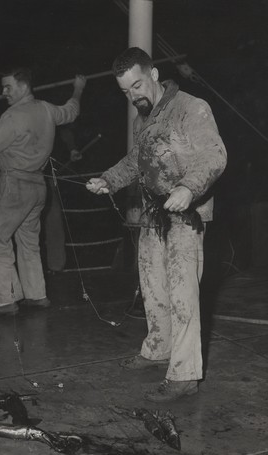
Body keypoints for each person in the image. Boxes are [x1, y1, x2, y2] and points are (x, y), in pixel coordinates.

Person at [86, 47, 227, 402]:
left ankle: (184, 375)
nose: (133, 96)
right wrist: (109, 180)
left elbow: (215, 155)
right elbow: (137, 160)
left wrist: (188, 187)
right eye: (125, 91)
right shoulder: (143, 120)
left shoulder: (191, 108)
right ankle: (157, 349)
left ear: (152, 74)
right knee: (153, 287)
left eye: (137, 86)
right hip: (154, 216)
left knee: (182, 294)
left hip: (186, 215)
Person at [0, 66, 86, 315]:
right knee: (29, 241)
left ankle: (7, 300)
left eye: (8, 87)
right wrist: (78, 88)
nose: (3, 92)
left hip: (14, 185)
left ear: (23, 87)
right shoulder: (46, 108)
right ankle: (36, 295)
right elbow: (72, 111)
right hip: (38, 186)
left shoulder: (13, 116)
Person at [43, 124, 83, 274]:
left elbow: (63, 127)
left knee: (53, 220)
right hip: (29, 174)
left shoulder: (52, 117)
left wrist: (72, 149)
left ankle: (55, 266)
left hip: (46, 177)